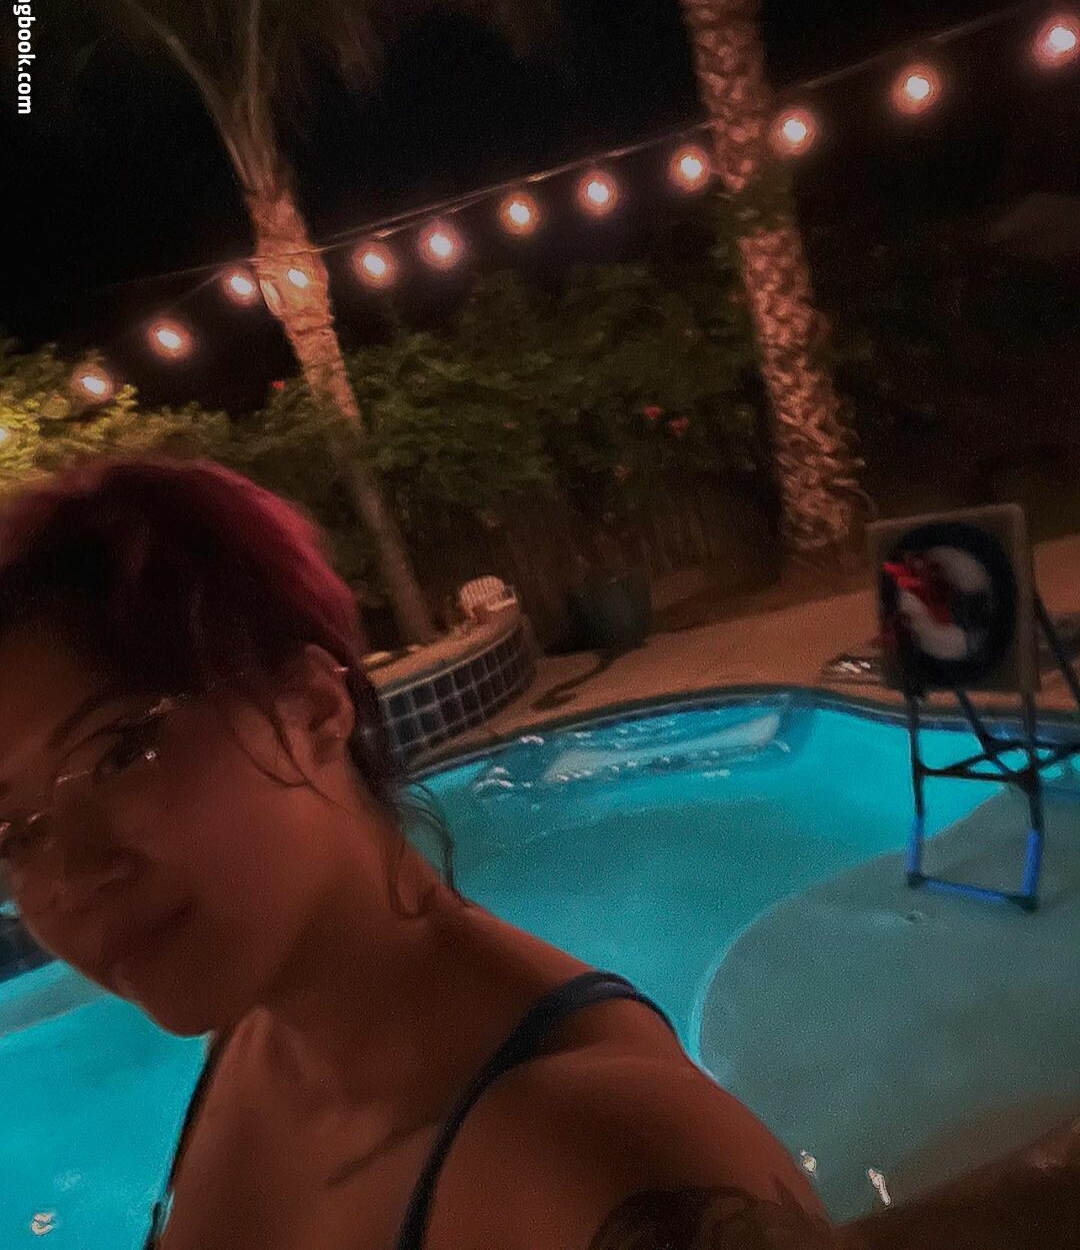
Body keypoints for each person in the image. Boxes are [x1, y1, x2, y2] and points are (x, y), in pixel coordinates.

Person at [0, 453, 835, 1250]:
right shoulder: (251, 1039)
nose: (73, 876)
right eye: (14, 831)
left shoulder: (606, 1163)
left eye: (121, 753)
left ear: (314, 707)